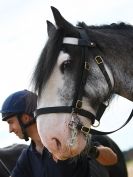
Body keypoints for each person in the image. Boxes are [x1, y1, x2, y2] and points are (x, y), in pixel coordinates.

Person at [0, 90, 117, 177]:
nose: (10, 129)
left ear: (25, 118)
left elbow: (112, 159)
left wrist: (88, 149)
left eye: (11, 122)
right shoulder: (27, 157)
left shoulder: (67, 138)